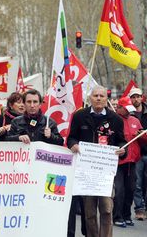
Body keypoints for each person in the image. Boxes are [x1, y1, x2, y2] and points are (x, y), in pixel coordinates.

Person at [67, 85, 126, 237]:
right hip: (86, 171)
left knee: (106, 210)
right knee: (90, 212)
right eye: (95, 96)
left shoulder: (116, 119)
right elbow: (71, 137)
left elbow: (121, 141)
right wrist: (73, 144)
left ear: (106, 99)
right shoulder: (80, 116)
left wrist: (121, 150)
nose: (99, 98)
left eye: (101, 96)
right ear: (90, 98)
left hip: (106, 172)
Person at [113, 96, 147, 227]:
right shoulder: (114, 120)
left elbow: (142, 140)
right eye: (126, 109)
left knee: (131, 189)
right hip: (118, 162)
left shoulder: (135, 120)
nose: (128, 111)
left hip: (132, 161)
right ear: (119, 108)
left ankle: (126, 215)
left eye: (129, 109)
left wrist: (143, 135)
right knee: (120, 190)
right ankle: (117, 216)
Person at [129, 87, 147, 220]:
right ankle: (139, 209)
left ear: (142, 97)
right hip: (137, 154)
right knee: (138, 183)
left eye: (138, 96)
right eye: (133, 97)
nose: (136, 99)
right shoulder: (128, 114)